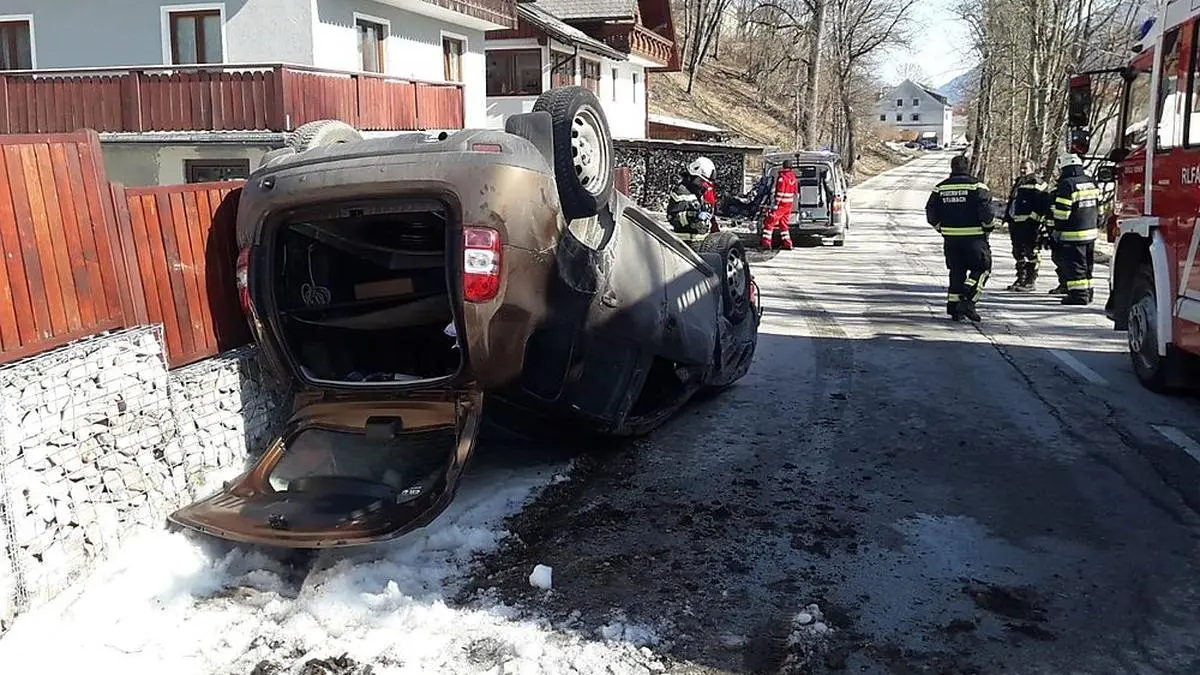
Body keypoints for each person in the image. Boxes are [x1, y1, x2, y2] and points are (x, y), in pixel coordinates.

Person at [925, 154, 995, 322]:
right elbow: (987, 213)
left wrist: (941, 228)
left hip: (951, 239)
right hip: (975, 237)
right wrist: (988, 228)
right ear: (968, 167)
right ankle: (968, 300)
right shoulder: (977, 187)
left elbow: (930, 212)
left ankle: (954, 308)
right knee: (983, 269)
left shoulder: (940, 188)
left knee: (956, 271)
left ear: (952, 168)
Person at [1044, 153, 1100, 305]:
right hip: (1091, 232)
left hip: (1072, 234)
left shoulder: (1067, 184)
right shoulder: (1091, 182)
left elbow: (1062, 213)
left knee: (1075, 265)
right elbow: (1098, 208)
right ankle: (1088, 292)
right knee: (1087, 264)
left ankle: (1078, 295)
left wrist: (1055, 230)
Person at [1003, 159, 1049, 292]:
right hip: (1015, 223)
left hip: (1029, 225)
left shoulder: (1037, 182)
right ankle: (1020, 279)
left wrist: (1033, 220)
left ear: (1032, 169)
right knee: (1018, 252)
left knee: (1031, 252)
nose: (1022, 170)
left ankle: (1030, 281)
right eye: (1021, 168)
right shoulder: (1019, 181)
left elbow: (1042, 204)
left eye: (1025, 168)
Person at [667, 156, 720, 235]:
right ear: (693, 176)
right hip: (684, 242)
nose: (703, 184)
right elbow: (673, 218)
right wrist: (694, 216)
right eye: (701, 180)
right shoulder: (681, 192)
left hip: (702, 241)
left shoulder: (699, 192)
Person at [760, 159, 797, 250]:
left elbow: (780, 192)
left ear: (783, 166)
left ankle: (766, 244)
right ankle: (787, 243)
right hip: (789, 204)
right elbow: (795, 191)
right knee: (783, 224)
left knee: (769, 222)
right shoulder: (793, 177)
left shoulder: (782, 177)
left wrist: (776, 203)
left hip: (781, 204)